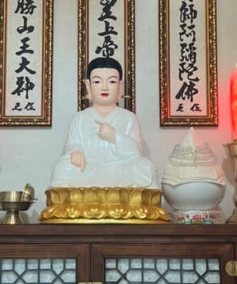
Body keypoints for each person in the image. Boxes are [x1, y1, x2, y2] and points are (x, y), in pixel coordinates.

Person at [50, 57, 158, 188]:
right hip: (88, 168)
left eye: (112, 81)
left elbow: (137, 152)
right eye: (97, 81)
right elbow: (73, 143)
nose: (105, 87)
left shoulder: (129, 118)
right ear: (88, 86)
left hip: (119, 168)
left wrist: (115, 136)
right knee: (62, 168)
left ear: (120, 87)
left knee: (146, 168)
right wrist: (76, 151)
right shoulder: (80, 118)